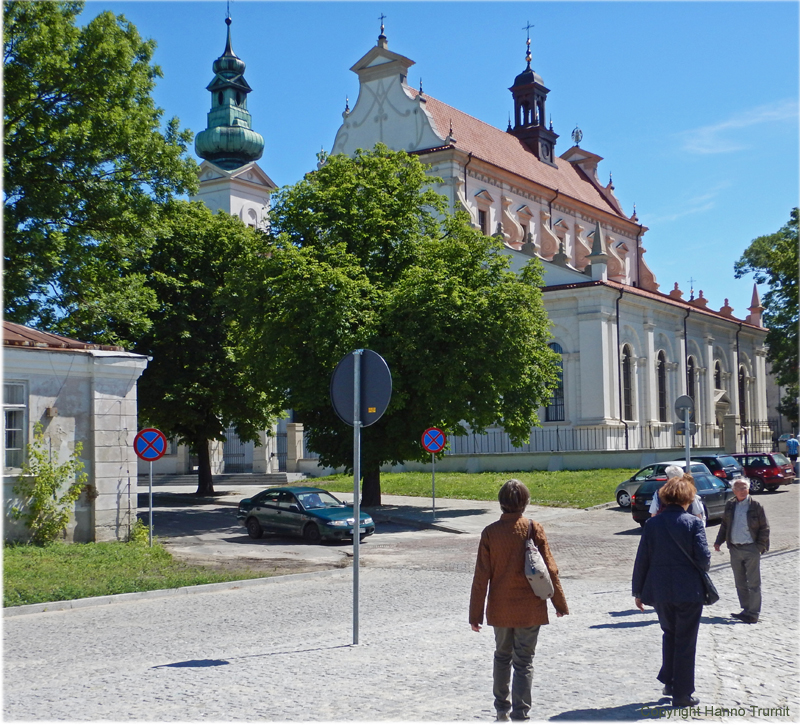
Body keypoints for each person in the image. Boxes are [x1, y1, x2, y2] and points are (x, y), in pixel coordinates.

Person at [469, 479, 568, 721]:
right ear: (525, 502)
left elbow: (481, 577)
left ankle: (501, 709)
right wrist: (559, 604)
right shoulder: (533, 528)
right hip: (530, 608)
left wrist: (475, 615)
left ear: (500, 502)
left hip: (500, 608)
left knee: (502, 656)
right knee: (523, 661)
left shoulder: (490, 532)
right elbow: (550, 569)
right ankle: (521, 713)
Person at [632, 476, 710, 709]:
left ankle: (669, 681)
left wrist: (638, 591)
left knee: (669, 634)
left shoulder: (652, 524)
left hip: (660, 591)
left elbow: (642, 559)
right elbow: (704, 560)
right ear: (688, 498)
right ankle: (682, 694)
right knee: (686, 641)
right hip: (689, 591)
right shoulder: (694, 523)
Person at [713, 477, 770, 624]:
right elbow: (725, 524)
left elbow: (765, 527)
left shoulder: (755, 505)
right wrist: (719, 541)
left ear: (748, 489)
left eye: (744, 487)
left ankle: (753, 613)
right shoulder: (730, 505)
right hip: (735, 548)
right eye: (738, 488)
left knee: (754, 583)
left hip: (751, 548)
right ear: (734, 491)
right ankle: (746, 610)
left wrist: (759, 546)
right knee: (740, 582)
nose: (742, 491)